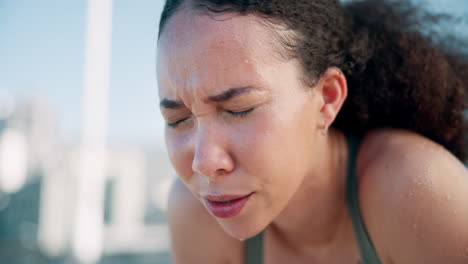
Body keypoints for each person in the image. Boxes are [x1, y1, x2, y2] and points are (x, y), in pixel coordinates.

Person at [156, 0, 468, 263]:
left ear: (327, 98)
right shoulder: (195, 213)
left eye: (240, 109)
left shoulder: (414, 188)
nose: (204, 163)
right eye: (177, 119)